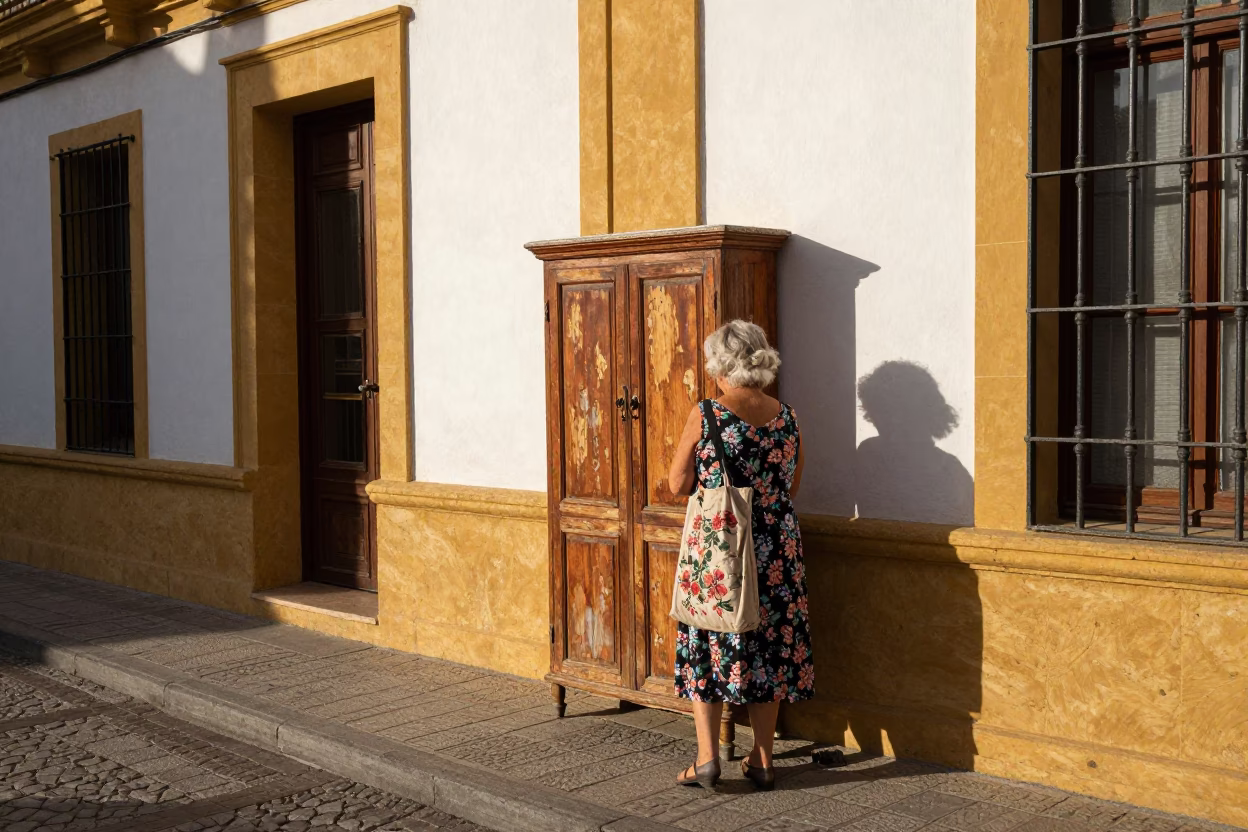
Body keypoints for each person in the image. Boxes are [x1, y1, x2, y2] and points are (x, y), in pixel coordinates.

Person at [666, 320, 815, 791]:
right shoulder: (787, 415)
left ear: (719, 366)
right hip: (777, 548)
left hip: (722, 548)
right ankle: (763, 759)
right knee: (769, 646)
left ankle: (707, 758)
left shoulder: (707, 413)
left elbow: (675, 484)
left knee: (707, 639)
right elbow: (791, 483)